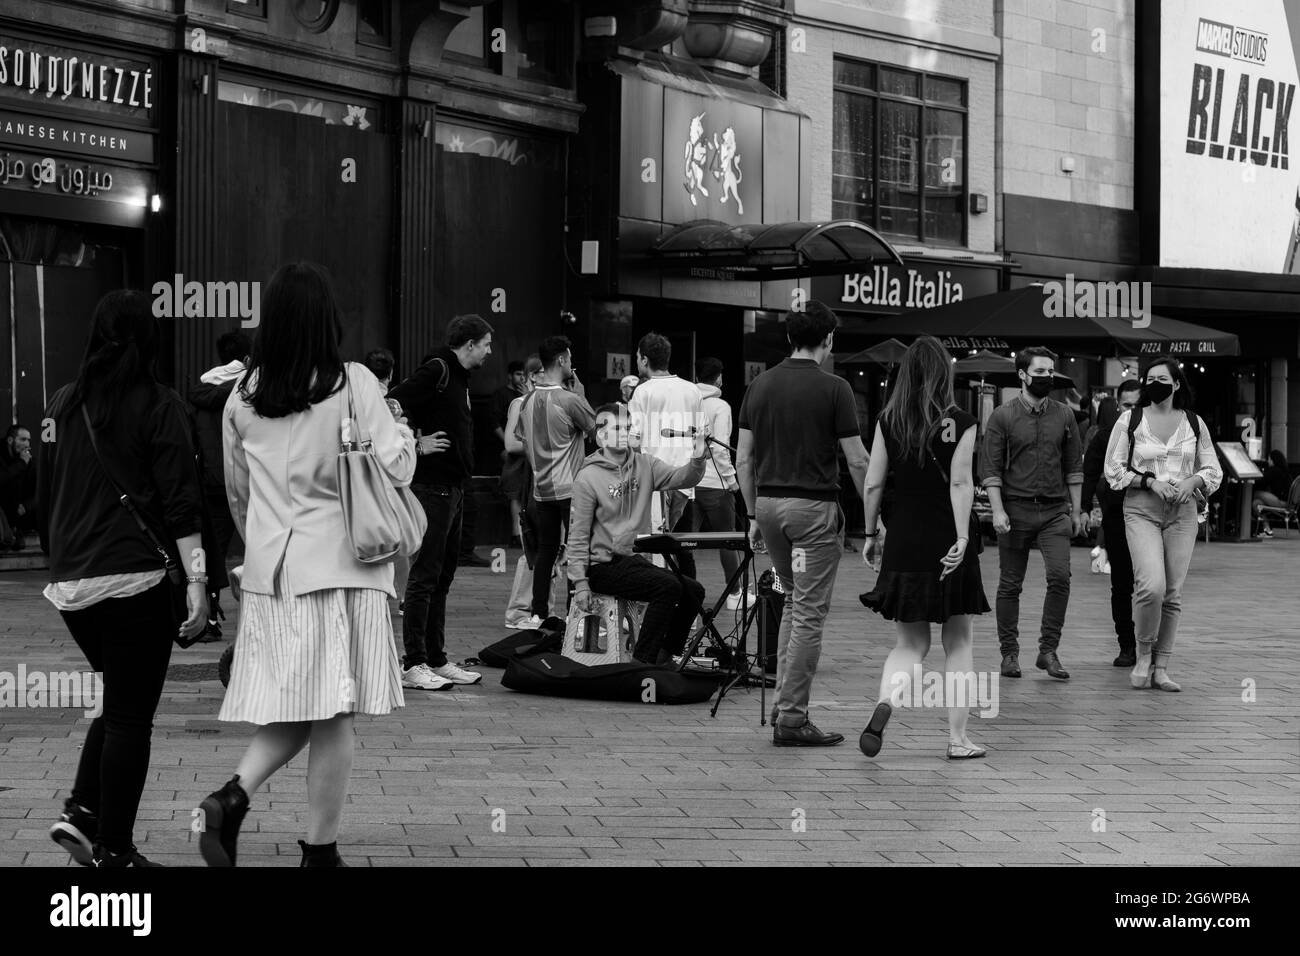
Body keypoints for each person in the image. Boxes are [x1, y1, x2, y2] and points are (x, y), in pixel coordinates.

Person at [195, 261, 415, 869]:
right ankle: (320, 852)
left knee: (299, 704)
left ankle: (232, 796)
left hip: (273, 572)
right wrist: (407, 436)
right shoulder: (354, 383)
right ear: (327, 318)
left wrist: (262, 551)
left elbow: (237, 494)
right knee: (335, 711)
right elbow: (394, 468)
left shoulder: (241, 396)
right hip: (344, 567)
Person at [39, 290, 208, 868]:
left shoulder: (61, 403)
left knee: (120, 700)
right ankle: (114, 849)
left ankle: (83, 812)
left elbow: (45, 493)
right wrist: (199, 583)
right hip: (133, 579)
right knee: (133, 716)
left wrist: (59, 557)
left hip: (71, 586)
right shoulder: (160, 405)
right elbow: (182, 507)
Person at [737, 301, 871, 747]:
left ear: (790, 339)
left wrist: (754, 512)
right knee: (809, 612)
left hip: (771, 508)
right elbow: (857, 459)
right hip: (812, 511)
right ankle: (792, 719)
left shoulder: (759, 385)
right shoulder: (835, 388)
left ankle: (783, 707)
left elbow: (743, 459)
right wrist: (874, 523)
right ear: (828, 339)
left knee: (794, 602)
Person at [859, 335, 990, 759]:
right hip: (948, 538)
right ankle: (957, 740)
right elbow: (959, 482)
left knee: (910, 645)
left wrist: (869, 534)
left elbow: (873, 481)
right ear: (943, 375)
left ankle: (885, 704)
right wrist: (963, 538)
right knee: (959, 642)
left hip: (904, 539)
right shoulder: (962, 421)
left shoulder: (888, 420)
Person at [387, 315, 493, 690]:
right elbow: (387, 405)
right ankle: (413, 662)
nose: (489, 351)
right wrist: (417, 444)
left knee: (443, 576)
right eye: (485, 344)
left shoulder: (460, 378)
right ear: (468, 345)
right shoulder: (437, 370)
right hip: (432, 488)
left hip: (455, 487)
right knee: (425, 575)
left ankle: (436, 658)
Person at [1104, 355, 1222, 693]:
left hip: (1183, 514)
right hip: (1142, 509)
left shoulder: (1194, 423)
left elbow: (1213, 469)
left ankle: (1162, 666)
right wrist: (1149, 482)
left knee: (1172, 593)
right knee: (1150, 585)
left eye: (1161, 378)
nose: (1154, 383)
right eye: (1149, 378)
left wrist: (1193, 481)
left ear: (1176, 384)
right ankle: (1143, 654)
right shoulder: (1131, 419)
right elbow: (1113, 469)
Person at [568, 403, 710, 663]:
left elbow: (683, 478)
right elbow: (577, 536)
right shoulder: (587, 477)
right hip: (600, 566)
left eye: (628, 427)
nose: (625, 433)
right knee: (666, 587)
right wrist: (580, 583)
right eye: (618, 428)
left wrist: (698, 456)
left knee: (694, 591)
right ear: (601, 435)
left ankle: (666, 655)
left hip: (632, 561)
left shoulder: (645, 464)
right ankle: (642, 661)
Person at [979, 345, 1085, 682]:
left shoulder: (1065, 415)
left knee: (1060, 577)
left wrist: (1078, 511)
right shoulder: (1003, 415)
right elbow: (991, 469)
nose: (1046, 378)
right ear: (1022, 375)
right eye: (1039, 372)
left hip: (1055, 511)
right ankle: (1009, 653)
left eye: (1049, 372)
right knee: (1010, 585)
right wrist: (997, 511)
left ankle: (1048, 650)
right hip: (1015, 509)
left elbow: (1074, 467)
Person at [513, 336, 597, 628]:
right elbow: (595, 431)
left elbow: (523, 442)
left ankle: (539, 614)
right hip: (571, 488)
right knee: (576, 550)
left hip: (541, 489)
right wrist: (583, 395)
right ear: (561, 360)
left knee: (546, 550)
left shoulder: (526, 402)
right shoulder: (571, 400)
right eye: (570, 359)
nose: (572, 364)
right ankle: (575, 613)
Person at [189, 332, 252, 640]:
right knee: (257, 544)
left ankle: (208, 614)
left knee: (210, 548)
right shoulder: (250, 388)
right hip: (244, 479)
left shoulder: (202, 386)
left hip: (210, 480)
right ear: (247, 358)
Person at [627, 333, 704, 579]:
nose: (637, 361)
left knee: (655, 547)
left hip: (654, 482)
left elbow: (633, 440)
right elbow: (702, 437)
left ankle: (662, 604)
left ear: (645, 359)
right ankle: (690, 610)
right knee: (683, 548)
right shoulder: (692, 390)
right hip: (685, 481)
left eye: (638, 357)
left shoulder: (642, 392)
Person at [1082, 380, 1142, 666]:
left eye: (1136, 404)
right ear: (1119, 405)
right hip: (1118, 516)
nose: (1132, 410)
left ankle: (1149, 644)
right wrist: (1084, 508)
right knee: (1121, 584)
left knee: (1151, 584)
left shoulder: (1155, 435)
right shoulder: (1106, 436)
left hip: (1152, 518)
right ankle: (1126, 645)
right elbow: (1090, 472)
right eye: (1127, 405)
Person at [693, 357, 750, 609]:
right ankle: (735, 594)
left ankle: (685, 594)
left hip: (687, 483)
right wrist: (732, 481)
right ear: (718, 379)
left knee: (683, 543)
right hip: (716, 484)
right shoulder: (721, 406)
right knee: (727, 539)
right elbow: (720, 448)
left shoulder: (687, 401)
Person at [501, 355, 546, 628]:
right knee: (533, 549)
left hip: (544, 480)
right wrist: (542, 442)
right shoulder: (520, 403)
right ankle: (519, 611)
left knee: (548, 549)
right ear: (532, 376)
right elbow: (510, 442)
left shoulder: (547, 402)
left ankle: (540, 609)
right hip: (528, 480)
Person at [494, 360, 528, 547]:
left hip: (526, 449)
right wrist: (507, 444)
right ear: (509, 375)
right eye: (517, 374)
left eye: (523, 375)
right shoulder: (502, 395)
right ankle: (516, 533)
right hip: (513, 449)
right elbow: (494, 423)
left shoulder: (527, 396)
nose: (521, 378)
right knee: (515, 492)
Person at [1, 423, 35, 545]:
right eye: (23, 439)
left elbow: (40, 490)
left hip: (20, 511)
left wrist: (26, 506)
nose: (27, 444)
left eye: (28, 440)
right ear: (10, 440)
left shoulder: (28, 460)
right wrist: (21, 464)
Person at [1254, 449, 1293, 537]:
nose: (1268, 461)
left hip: (1282, 502)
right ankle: (1267, 530)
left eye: (1269, 459)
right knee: (1256, 503)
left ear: (1273, 460)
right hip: (1290, 503)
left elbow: (1261, 482)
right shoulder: (1284, 470)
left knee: (1255, 494)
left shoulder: (1274, 470)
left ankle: (1244, 523)